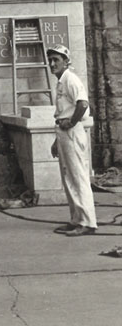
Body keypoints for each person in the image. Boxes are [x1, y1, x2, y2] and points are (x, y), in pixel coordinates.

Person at [48, 44, 98, 237]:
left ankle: (87, 222)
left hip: (72, 132)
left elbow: (83, 104)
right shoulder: (61, 81)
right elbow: (63, 111)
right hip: (63, 132)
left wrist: (72, 122)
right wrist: (56, 140)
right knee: (68, 177)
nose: (52, 64)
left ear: (66, 62)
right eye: (51, 60)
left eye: (56, 60)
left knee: (78, 177)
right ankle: (76, 219)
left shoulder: (71, 79)